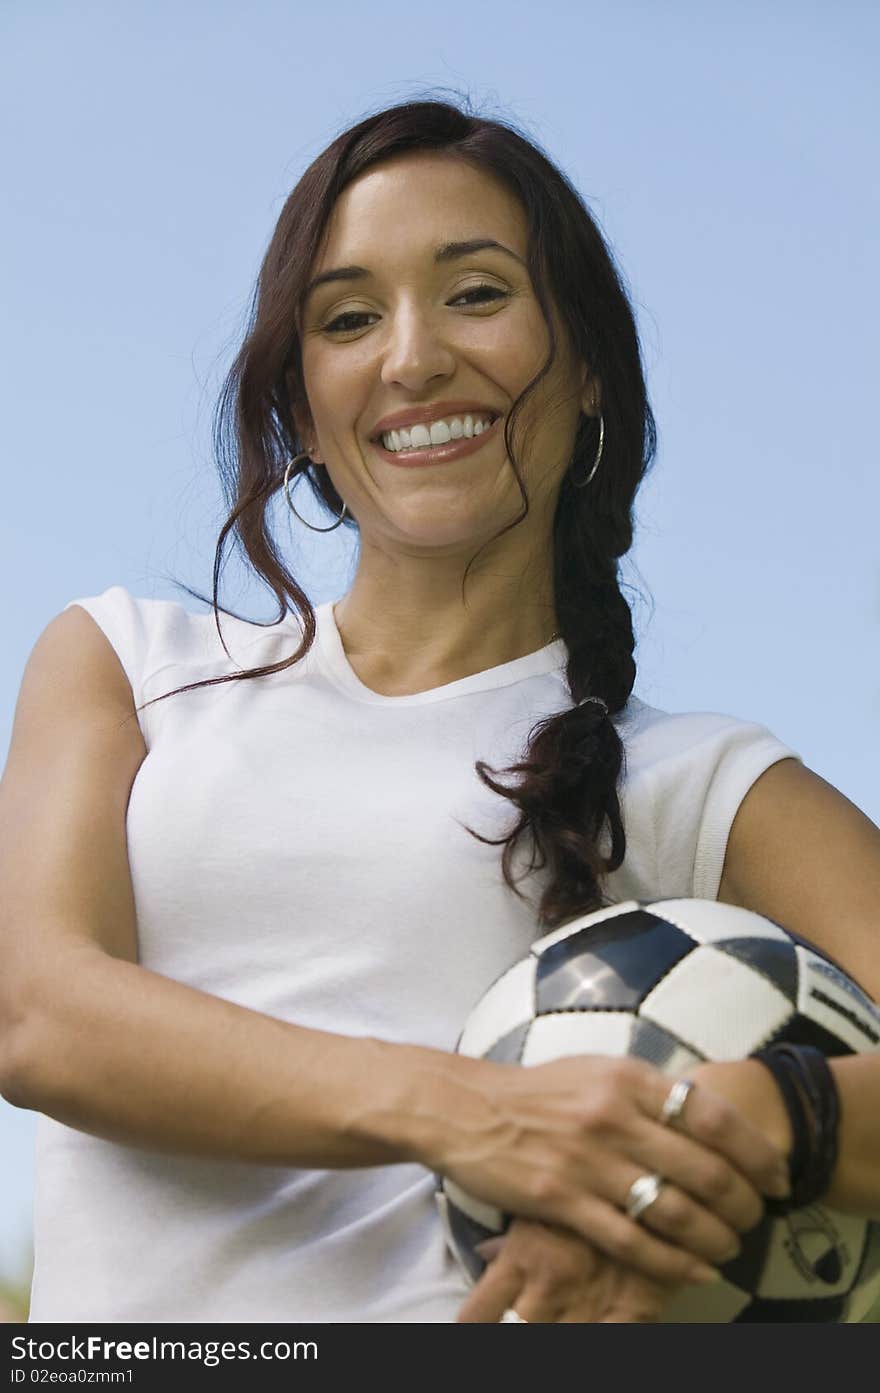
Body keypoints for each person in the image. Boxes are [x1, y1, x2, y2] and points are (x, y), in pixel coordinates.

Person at [2, 97, 879, 1326]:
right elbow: (37, 1010)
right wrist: (481, 1110)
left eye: (475, 293)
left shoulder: (695, 781)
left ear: (585, 368)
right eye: (349, 319)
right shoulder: (127, 665)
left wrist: (747, 1122)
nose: (411, 358)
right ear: (301, 408)